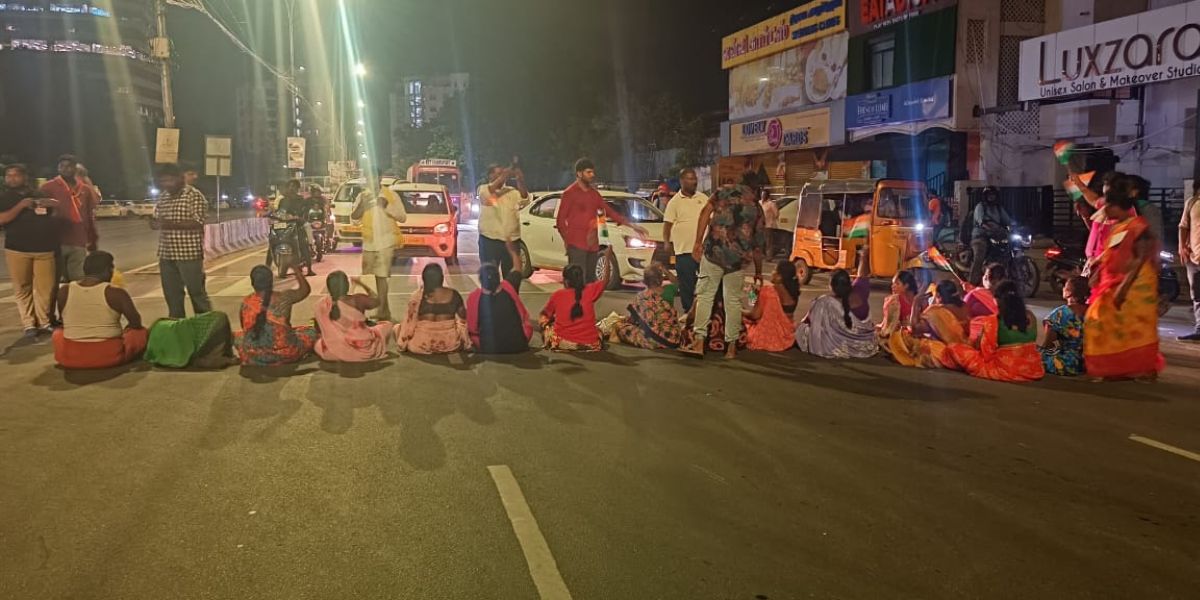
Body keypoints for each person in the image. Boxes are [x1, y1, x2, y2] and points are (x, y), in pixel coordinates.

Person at [1083, 177, 1165, 380]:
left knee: (1133, 330)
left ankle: (1141, 368)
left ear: (1116, 207)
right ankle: (1116, 369)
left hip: (1135, 287)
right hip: (1114, 282)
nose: (1104, 212)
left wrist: (1124, 287)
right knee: (1108, 325)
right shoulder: (1118, 226)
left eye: (1107, 206)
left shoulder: (1138, 226)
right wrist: (1097, 269)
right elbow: (1112, 252)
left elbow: (1139, 259)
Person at [680, 184, 765, 359]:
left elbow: (705, 213)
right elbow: (758, 244)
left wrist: (697, 242)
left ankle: (698, 342)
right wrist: (758, 271)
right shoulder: (756, 206)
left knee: (705, 296)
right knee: (732, 301)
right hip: (737, 258)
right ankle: (731, 348)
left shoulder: (722, 192)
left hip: (714, 252)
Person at [556, 158, 647, 282]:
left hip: (592, 245)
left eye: (592, 172)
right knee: (576, 281)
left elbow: (609, 212)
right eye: (588, 172)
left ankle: (588, 302)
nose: (592, 175)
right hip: (576, 245)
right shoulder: (569, 193)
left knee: (590, 282)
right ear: (579, 173)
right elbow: (560, 222)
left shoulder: (594, 194)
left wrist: (633, 226)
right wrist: (568, 242)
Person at [52, 251, 147, 369]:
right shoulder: (116, 293)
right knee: (140, 333)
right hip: (109, 357)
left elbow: (63, 321)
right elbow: (136, 323)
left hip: (71, 358)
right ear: (109, 270)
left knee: (58, 333)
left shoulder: (64, 290)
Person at [1, 163, 60, 337]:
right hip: (17, 249)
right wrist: (21, 206)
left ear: (25, 177)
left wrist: (46, 202)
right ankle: (29, 324)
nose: (11, 178)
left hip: (44, 248)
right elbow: (2, 219)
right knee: (22, 287)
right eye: (8, 175)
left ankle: (45, 322)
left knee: (46, 288)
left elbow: (56, 206)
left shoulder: (37, 193)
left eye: (16, 175)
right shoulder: (4, 197)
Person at [945, 280, 1044, 382]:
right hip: (1033, 368)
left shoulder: (994, 321)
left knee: (954, 348)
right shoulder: (1031, 317)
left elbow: (986, 353)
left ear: (997, 300)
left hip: (1007, 369)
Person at [153, 163, 212, 319]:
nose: (167, 184)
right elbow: (159, 219)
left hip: (189, 254)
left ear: (180, 178)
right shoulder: (163, 197)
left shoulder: (193, 195)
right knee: (172, 297)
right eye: (163, 181)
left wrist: (168, 224)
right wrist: (154, 223)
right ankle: (178, 328)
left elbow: (198, 223)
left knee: (197, 294)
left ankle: (206, 327)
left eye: (170, 180)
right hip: (167, 254)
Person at [234, 265, 319, 366]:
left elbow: (245, 329)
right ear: (271, 282)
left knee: (237, 336)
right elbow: (305, 290)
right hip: (285, 353)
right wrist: (296, 270)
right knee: (311, 332)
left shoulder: (246, 303)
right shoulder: (284, 298)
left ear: (252, 283)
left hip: (254, 355)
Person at [351, 171, 407, 320]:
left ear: (379, 178)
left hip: (385, 242)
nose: (370, 180)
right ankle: (383, 311)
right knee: (370, 278)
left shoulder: (390, 195)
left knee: (381, 277)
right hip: (369, 243)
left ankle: (381, 312)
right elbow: (354, 218)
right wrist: (363, 206)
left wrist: (387, 205)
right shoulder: (362, 196)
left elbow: (402, 217)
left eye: (373, 177)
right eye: (367, 177)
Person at [883, 279, 971, 369]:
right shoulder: (964, 306)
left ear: (939, 296)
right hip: (966, 348)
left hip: (945, 351)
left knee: (902, 337)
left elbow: (914, 329)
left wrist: (916, 303)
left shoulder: (936, 311)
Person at [795, 266, 877, 359]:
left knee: (800, 329)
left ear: (831, 285)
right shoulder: (860, 292)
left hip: (837, 343)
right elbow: (862, 275)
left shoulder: (824, 302)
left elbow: (807, 321)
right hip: (864, 345)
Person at [39, 154, 98, 282]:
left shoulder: (85, 189)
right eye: (62, 166)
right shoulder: (48, 187)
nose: (65, 169)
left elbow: (89, 215)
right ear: (58, 168)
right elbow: (39, 213)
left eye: (69, 166)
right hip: (56, 241)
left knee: (78, 279)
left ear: (75, 169)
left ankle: (74, 302)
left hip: (79, 241)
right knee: (56, 280)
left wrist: (92, 238)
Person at [314, 270, 395, 362]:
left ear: (329, 288)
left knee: (318, 344)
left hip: (335, 351)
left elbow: (319, 327)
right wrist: (361, 284)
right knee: (387, 325)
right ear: (347, 286)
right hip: (363, 348)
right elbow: (377, 301)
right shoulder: (358, 299)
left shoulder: (323, 304)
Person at [396, 263, 471, 354]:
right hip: (449, 343)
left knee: (397, 328)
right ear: (441, 278)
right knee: (461, 326)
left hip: (421, 343)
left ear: (424, 279)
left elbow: (409, 322)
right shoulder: (454, 294)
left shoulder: (417, 296)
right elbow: (463, 317)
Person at [662, 167, 709, 312]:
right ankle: (688, 314)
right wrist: (666, 242)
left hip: (703, 251)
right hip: (684, 252)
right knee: (686, 287)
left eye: (694, 178)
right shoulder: (674, 202)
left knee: (707, 285)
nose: (694, 181)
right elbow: (667, 225)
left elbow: (711, 221)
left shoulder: (703, 198)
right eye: (689, 178)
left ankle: (706, 313)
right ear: (682, 181)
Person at [614, 263, 683, 350]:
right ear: (661, 279)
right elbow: (677, 282)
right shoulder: (669, 290)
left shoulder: (641, 296)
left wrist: (624, 321)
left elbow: (633, 319)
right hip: (674, 338)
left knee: (619, 326)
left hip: (654, 340)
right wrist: (666, 271)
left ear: (645, 280)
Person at [467, 264, 532, 354]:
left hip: (488, 348)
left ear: (480, 280)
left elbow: (472, 328)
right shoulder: (508, 288)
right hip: (518, 345)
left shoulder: (474, 297)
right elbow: (523, 316)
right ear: (498, 279)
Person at [477, 163, 528, 277]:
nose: (503, 176)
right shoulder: (484, 189)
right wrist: (506, 174)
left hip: (511, 241)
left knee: (511, 276)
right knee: (490, 276)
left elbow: (524, 198)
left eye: (503, 174)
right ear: (490, 176)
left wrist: (520, 179)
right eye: (498, 174)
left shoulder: (512, 191)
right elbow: (491, 191)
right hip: (490, 240)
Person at [539, 264, 605, 351]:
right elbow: (605, 280)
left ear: (566, 281)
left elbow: (545, 314)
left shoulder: (558, 295)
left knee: (546, 325)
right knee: (598, 330)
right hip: (591, 343)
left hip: (563, 341)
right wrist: (607, 260)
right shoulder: (590, 290)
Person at [743, 260, 798, 352]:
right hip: (786, 336)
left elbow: (754, 315)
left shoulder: (768, 291)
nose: (771, 272)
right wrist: (756, 292)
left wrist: (739, 310)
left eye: (774, 270)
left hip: (767, 335)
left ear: (779, 277)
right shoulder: (793, 293)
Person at [1041, 275, 1089, 376]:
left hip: (1066, 363)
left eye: (1065, 286)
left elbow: (1048, 345)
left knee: (1034, 354)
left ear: (1069, 292)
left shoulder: (1060, 313)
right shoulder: (1092, 311)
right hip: (1087, 363)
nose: (1063, 288)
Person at [968, 186, 1012, 285]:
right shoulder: (980, 207)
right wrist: (989, 228)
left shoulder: (999, 208)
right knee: (979, 255)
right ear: (985, 196)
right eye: (989, 195)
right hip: (981, 236)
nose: (991, 197)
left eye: (993, 195)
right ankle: (972, 284)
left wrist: (1016, 226)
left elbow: (1008, 220)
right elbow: (981, 222)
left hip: (996, 235)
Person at [275, 179, 316, 277]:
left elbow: (305, 212)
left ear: (297, 188)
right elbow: (280, 212)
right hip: (285, 226)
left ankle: (309, 269)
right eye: (290, 186)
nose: (291, 188)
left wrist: (299, 217)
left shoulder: (301, 200)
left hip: (298, 226)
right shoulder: (283, 200)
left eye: (294, 186)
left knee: (304, 246)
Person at [1179, 179, 1200, 342]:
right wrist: (1182, 246)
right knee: (1197, 294)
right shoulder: (1192, 202)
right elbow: (1183, 226)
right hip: (1194, 257)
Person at [878, 270, 919, 341]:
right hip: (897, 334)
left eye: (897, 284)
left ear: (906, 285)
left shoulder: (920, 301)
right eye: (893, 283)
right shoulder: (894, 301)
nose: (892, 286)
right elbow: (889, 326)